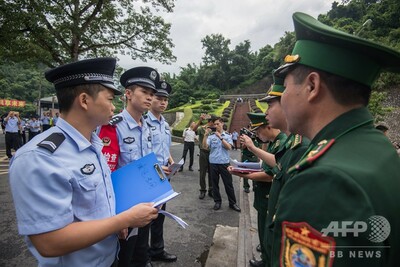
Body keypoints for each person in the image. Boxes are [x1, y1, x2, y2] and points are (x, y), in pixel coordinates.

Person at [270, 12, 400, 266]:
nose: (283, 97)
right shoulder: (377, 147)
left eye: (285, 87)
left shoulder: (325, 181)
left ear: (312, 86)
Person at [9, 58, 158, 267]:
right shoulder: (40, 158)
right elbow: (49, 242)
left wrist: (114, 223)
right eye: (109, 98)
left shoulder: (92, 144)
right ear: (85, 100)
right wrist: (124, 220)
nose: (114, 106)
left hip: (109, 258)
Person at [98, 66, 160, 267]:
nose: (149, 97)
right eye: (144, 92)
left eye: (152, 94)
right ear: (128, 93)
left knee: (141, 255)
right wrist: (118, 216)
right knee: (124, 258)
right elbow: (107, 174)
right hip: (125, 208)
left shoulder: (148, 126)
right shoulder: (113, 126)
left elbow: (149, 163)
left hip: (146, 203)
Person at [229, 113, 287, 267]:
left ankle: (267, 262)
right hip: (263, 196)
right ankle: (265, 260)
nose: (257, 135)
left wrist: (243, 174)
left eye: (258, 132)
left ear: (268, 127)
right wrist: (241, 168)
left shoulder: (282, 143)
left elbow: (270, 175)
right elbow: (264, 165)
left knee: (268, 234)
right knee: (263, 233)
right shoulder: (274, 143)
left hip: (269, 196)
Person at [145, 80, 177, 263]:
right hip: (151, 175)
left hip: (165, 175)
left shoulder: (165, 124)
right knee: (145, 217)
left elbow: (164, 149)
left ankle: (157, 249)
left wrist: (172, 161)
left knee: (159, 215)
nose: (163, 102)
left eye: (166, 99)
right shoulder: (144, 121)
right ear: (151, 99)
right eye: (159, 98)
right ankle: (143, 254)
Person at [203, 117, 240, 212]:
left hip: (224, 163)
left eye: (217, 124)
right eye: (214, 124)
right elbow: (205, 147)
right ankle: (217, 201)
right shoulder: (211, 136)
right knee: (214, 184)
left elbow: (229, 147)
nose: (216, 126)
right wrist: (205, 135)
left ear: (222, 124)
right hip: (213, 163)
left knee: (228, 184)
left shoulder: (227, 136)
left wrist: (220, 137)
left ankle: (232, 203)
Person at [193, 114, 214, 199]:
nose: (215, 124)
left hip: (212, 153)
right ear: (210, 122)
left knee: (211, 173)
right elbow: (194, 130)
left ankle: (211, 190)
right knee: (202, 172)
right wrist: (200, 120)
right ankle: (202, 190)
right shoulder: (202, 128)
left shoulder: (215, 130)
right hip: (203, 152)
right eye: (214, 122)